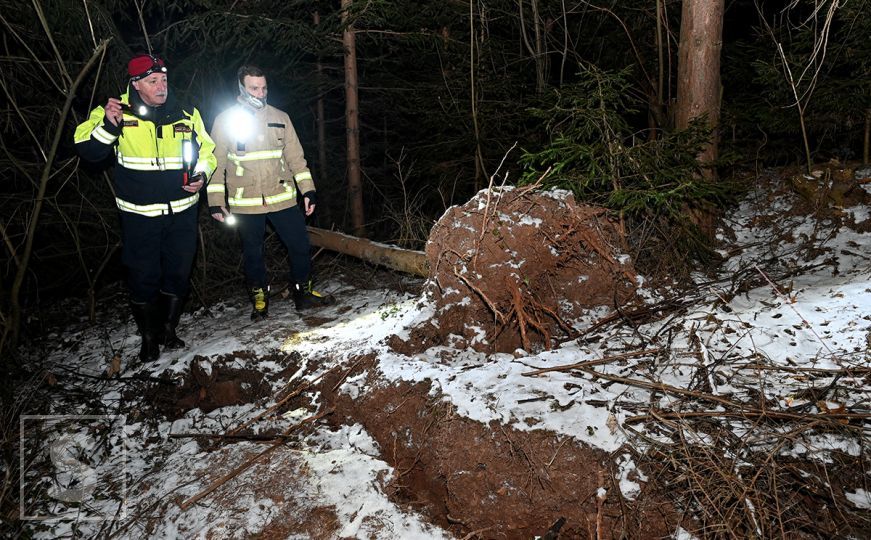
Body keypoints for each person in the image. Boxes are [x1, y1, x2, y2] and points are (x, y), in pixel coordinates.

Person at [74, 53, 216, 361]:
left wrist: (202, 174)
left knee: (178, 274)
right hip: (140, 217)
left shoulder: (186, 112)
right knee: (143, 277)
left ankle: (168, 329)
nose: (161, 86)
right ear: (136, 84)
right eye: (153, 81)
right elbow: (88, 151)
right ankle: (149, 338)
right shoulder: (114, 111)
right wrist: (110, 127)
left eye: (164, 79)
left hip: (183, 213)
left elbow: (208, 149)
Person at [208, 65, 334, 320]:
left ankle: (302, 292)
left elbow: (297, 159)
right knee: (253, 252)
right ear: (241, 88)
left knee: (299, 245)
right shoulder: (225, 121)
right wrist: (215, 202)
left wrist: (308, 191)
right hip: (246, 201)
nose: (260, 92)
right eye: (254, 87)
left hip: (282, 196)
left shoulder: (280, 117)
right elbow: (216, 163)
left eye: (264, 87)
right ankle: (259, 298)